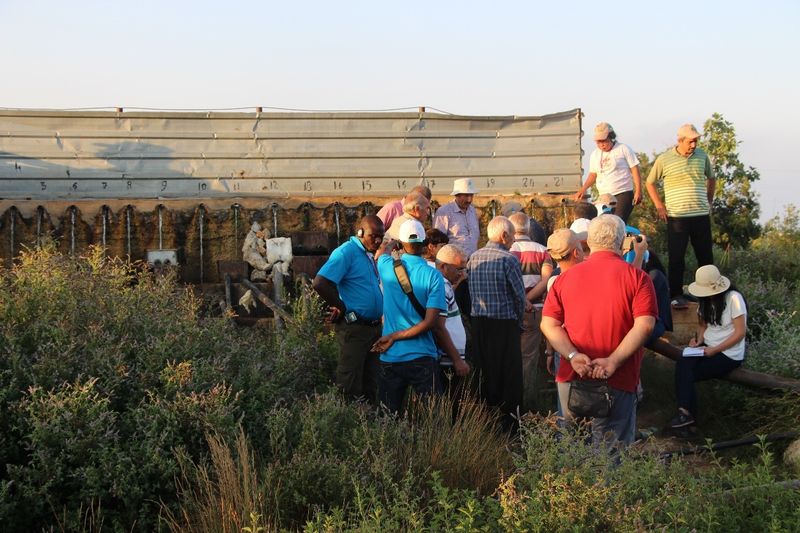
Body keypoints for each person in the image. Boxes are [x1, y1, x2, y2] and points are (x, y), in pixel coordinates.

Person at [541, 215, 657, 447]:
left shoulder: (564, 278)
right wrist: (613, 361)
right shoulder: (638, 278)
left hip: (572, 375)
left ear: (589, 242)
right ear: (621, 241)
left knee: (569, 448)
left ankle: (569, 485)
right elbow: (645, 325)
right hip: (618, 377)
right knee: (610, 453)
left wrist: (572, 356)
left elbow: (548, 324)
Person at [372, 219, 469, 413]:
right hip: (423, 355)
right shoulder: (433, 275)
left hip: (391, 355)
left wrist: (393, 243)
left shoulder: (386, 267)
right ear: (425, 244)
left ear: (401, 243)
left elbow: (382, 253)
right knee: (435, 418)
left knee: (386, 417)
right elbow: (431, 322)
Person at [313, 215, 385, 401]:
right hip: (355, 328)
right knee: (350, 382)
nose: (378, 241)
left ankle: (370, 424)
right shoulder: (346, 252)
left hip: (373, 328)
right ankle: (348, 421)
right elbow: (320, 283)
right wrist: (341, 306)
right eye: (373, 236)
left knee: (372, 381)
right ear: (360, 233)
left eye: (381, 237)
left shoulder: (366, 254)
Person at [467, 216, 529, 429]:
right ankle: (510, 424)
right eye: (512, 237)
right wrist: (520, 323)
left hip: (479, 323)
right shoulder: (508, 259)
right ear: (504, 236)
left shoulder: (473, 257)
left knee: (484, 373)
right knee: (509, 376)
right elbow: (519, 297)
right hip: (504, 324)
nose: (513, 241)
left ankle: (485, 421)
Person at [645, 123, 716, 308]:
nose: (693, 145)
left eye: (696, 141)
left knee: (705, 256)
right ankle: (676, 295)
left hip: (700, 214)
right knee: (677, 257)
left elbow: (712, 177)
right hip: (677, 216)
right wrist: (659, 205)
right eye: (691, 141)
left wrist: (709, 200)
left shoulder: (702, 156)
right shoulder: (665, 159)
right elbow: (650, 182)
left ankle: (709, 293)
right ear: (680, 140)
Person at [670, 265, 746, 429]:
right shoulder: (704, 302)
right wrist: (697, 340)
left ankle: (688, 419)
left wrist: (715, 350)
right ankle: (685, 414)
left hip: (728, 353)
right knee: (683, 362)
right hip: (707, 346)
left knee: (686, 376)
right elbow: (703, 326)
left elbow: (740, 333)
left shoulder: (734, 298)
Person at [508, 212, 554, 411]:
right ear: (528, 228)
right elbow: (546, 280)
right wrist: (529, 299)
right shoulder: (544, 251)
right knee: (530, 357)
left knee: (513, 355)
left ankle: (515, 402)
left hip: (513, 310)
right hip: (537, 310)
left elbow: (508, 281)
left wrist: (521, 299)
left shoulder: (509, 250)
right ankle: (529, 401)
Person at [573, 122, 642, 223]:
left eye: (604, 141)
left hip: (622, 192)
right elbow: (593, 174)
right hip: (604, 196)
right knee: (604, 223)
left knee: (617, 221)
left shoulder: (623, 149)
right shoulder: (595, 155)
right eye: (598, 142)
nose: (601, 144)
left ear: (611, 137)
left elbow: (634, 169)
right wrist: (583, 189)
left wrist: (638, 191)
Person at [434, 244, 469, 393]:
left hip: (450, 358)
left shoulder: (446, 286)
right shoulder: (441, 288)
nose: (462, 274)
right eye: (459, 269)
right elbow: (439, 327)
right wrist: (456, 360)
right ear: (443, 267)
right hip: (447, 360)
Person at [433, 178, 480, 258]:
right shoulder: (444, 212)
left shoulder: (472, 211)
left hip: (472, 260)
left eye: (471, 195)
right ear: (457, 195)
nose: (469, 199)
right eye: (466, 196)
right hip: (453, 262)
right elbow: (438, 241)